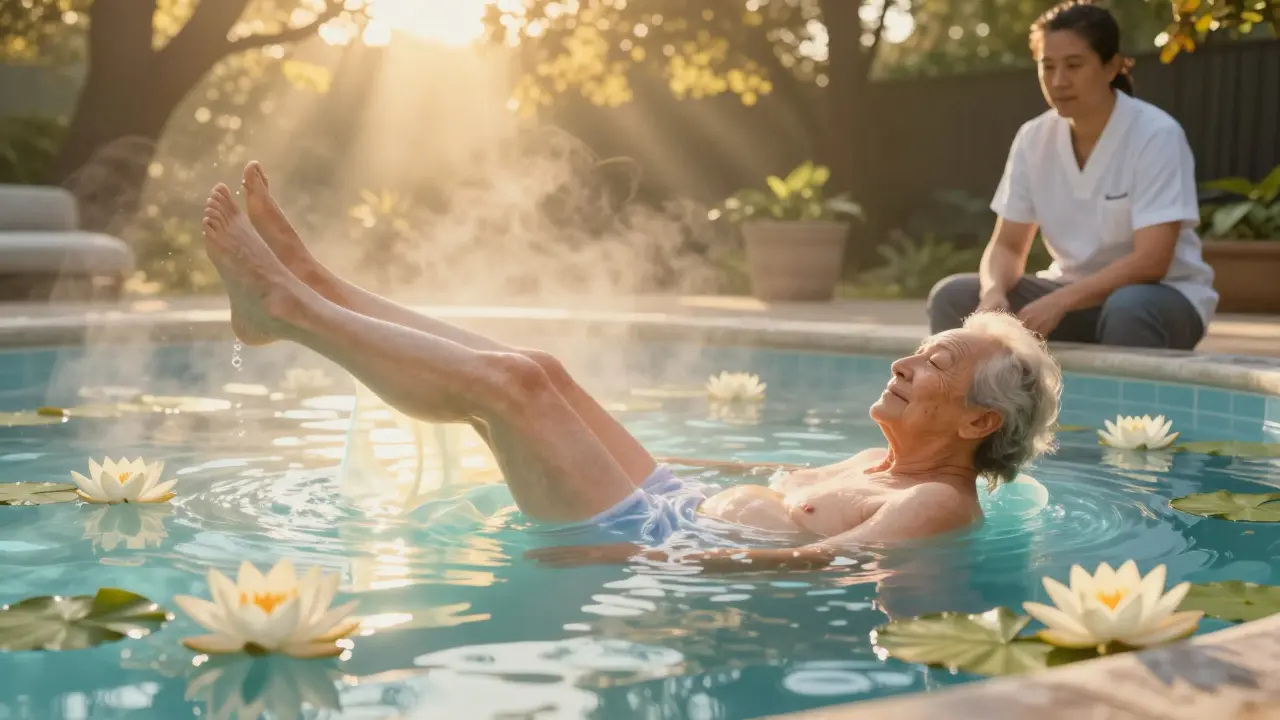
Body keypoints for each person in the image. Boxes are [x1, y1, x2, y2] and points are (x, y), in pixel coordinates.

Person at [199, 161, 1062, 573]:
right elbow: (778, 497)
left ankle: (287, 310)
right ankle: (318, 284)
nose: (909, 359)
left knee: (514, 390)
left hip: (656, 537)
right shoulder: (886, 462)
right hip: (673, 496)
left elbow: (817, 569)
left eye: (936, 359)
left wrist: (639, 562)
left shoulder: (933, 504)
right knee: (541, 367)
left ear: (979, 422)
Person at [928, 0, 1216, 350]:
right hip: (1070, 294)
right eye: (1047, 66)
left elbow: (1152, 260)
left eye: (1074, 65)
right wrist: (993, 296)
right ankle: (967, 405)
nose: (1058, 81)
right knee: (954, 297)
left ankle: (1124, 408)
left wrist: (1060, 302)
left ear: (1112, 66)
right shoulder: (1034, 138)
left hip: (1161, 299)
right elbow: (1007, 245)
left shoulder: (1156, 134)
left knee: (1129, 309)